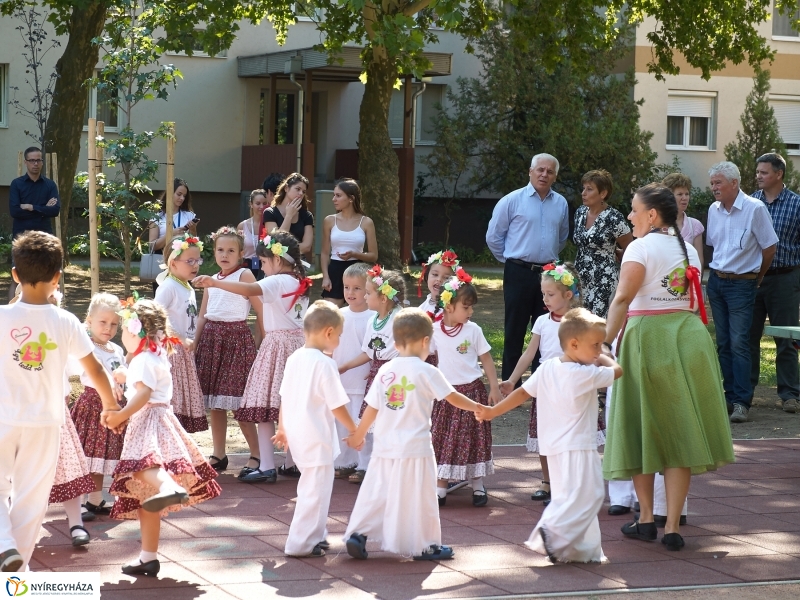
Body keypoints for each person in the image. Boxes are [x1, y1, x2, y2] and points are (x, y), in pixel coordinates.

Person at [603, 183, 735, 552]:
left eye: (633, 210)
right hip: (688, 337)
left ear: (651, 215)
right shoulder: (688, 249)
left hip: (649, 337)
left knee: (642, 425)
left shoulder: (640, 247)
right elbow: (693, 300)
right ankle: (672, 525)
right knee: (679, 430)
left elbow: (623, 298)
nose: (630, 216)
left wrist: (602, 342)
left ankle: (646, 519)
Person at [0, 231, 116, 572]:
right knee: (31, 500)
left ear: (15, 275)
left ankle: (5, 547)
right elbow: (93, 369)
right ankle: (15, 575)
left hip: (3, 418)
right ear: (57, 278)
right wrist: (111, 406)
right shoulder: (65, 321)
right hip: (47, 422)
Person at [479, 308, 622, 563]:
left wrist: (493, 412)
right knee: (591, 495)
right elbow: (617, 371)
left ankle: (577, 551)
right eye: (595, 345)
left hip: (553, 448)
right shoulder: (585, 373)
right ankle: (554, 534)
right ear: (574, 344)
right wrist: (608, 354)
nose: (598, 350)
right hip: (578, 446)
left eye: (600, 345)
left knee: (569, 497)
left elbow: (522, 393)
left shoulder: (548, 368)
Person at [343, 309, 483, 561]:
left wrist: (358, 435)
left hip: (385, 448)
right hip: (416, 448)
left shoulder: (385, 371)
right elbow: (452, 397)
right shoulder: (427, 371)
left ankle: (359, 534)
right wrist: (478, 407)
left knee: (376, 492)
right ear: (426, 342)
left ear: (395, 343)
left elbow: (371, 409)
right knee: (421, 496)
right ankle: (426, 544)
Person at [104, 298, 222, 576]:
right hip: (162, 418)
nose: (123, 336)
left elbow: (143, 394)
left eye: (124, 330)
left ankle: (169, 488)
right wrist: (125, 373)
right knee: (147, 502)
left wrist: (120, 415)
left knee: (143, 467)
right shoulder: (154, 356)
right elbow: (143, 382)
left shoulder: (143, 360)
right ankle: (148, 556)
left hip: (148, 419)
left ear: (135, 332)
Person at [193, 230, 311, 483]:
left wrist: (215, 283)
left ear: (277, 260)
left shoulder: (278, 281)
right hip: (297, 344)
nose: (263, 267)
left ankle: (266, 465)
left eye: (265, 262)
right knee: (288, 405)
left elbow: (249, 287)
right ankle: (292, 462)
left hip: (278, 345)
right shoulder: (298, 279)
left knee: (264, 403)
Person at [501, 263, 599, 506]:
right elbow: (529, 353)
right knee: (545, 435)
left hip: (573, 385)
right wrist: (513, 380)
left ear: (568, 295)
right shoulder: (542, 321)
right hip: (547, 386)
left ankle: (573, 482)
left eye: (550, 294)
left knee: (574, 436)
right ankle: (548, 480)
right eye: (543, 294)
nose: (544, 298)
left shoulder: (579, 321)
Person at [272, 301, 359, 557]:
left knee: (315, 487)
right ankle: (299, 543)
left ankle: (317, 534)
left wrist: (282, 427)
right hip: (316, 436)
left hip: (299, 434)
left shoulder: (295, 358)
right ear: (329, 332)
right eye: (340, 336)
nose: (340, 341)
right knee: (314, 491)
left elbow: (284, 396)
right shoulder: (325, 364)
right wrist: (355, 429)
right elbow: (337, 404)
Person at [486, 153, 570, 381]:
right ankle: (509, 385)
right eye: (540, 170)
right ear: (530, 172)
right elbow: (494, 236)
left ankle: (540, 382)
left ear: (555, 176)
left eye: (549, 171)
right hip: (518, 272)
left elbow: (562, 238)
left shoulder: (561, 203)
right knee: (515, 328)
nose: (544, 174)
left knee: (545, 329)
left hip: (548, 274)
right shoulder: (512, 201)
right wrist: (511, 261)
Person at [706, 161, 778, 423]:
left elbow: (769, 247)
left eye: (718, 183)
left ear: (734, 183)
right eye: (712, 182)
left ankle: (741, 402)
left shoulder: (755, 209)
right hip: (717, 282)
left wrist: (757, 277)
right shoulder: (713, 210)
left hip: (743, 284)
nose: (714, 187)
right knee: (723, 342)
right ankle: (728, 397)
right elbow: (714, 246)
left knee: (739, 343)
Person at [194, 227, 263, 476]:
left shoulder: (245, 275)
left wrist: (259, 341)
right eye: (220, 250)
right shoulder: (210, 280)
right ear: (214, 252)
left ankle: (256, 453)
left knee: (238, 401)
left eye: (231, 250)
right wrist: (195, 343)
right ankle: (219, 453)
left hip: (236, 340)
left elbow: (260, 309)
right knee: (216, 402)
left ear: (241, 253)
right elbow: (203, 315)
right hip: (212, 340)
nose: (225, 254)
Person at [430, 269, 500, 507]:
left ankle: (477, 484)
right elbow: (426, 358)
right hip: (446, 395)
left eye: (471, 308)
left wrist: (494, 388)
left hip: (472, 393)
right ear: (449, 306)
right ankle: (441, 486)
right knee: (442, 438)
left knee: (474, 439)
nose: (470, 312)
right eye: (466, 307)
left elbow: (487, 359)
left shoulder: (473, 330)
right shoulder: (434, 330)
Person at [749, 153, 800, 414]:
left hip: (785, 278)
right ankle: (744, 394)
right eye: (758, 172)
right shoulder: (749, 203)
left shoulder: (796, 204)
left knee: (787, 338)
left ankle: (790, 394)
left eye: (764, 172)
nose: (758, 176)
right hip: (753, 279)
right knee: (748, 337)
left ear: (778, 174)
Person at [69, 293, 128, 517]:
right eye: (102, 322)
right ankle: (86, 501)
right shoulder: (85, 347)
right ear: (89, 320)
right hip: (93, 405)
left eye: (114, 324)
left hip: (115, 407)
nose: (108, 328)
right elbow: (80, 371)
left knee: (105, 454)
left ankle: (96, 499)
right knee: (92, 455)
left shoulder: (117, 349)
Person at [154, 233, 208, 433]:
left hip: (183, 352)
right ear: (173, 263)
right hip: (172, 352)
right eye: (190, 261)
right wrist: (180, 338)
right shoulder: (168, 287)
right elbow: (157, 317)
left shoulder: (187, 286)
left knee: (183, 395)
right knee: (174, 395)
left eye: (198, 260)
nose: (195, 265)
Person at [331, 263, 375, 483]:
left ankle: (365, 464)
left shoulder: (372, 317)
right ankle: (344, 461)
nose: (350, 293)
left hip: (362, 379)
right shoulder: (339, 314)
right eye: (347, 287)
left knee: (361, 422)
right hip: (341, 379)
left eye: (357, 288)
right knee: (342, 421)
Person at [573, 169, 633, 318]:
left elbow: (630, 247)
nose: (583, 193)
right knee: (578, 321)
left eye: (589, 189)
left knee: (597, 323)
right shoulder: (580, 212)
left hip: (603, 280)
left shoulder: (614, 218)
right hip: (580, 276)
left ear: (603, 194)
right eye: (583, 188)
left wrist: (618, 253)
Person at [8, 147, 60, 301]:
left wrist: (31, 207)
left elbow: (55, 210)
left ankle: (51, 310)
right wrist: (44, 208)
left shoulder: (50, 185)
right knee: (17, 276)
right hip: (22, 237)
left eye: (38, 160)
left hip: (45, 237)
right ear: (26, 162)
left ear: (42, 162)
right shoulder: (17, 184)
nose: (36, 163)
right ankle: (12, 312)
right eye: (32, 160)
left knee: (49, 275)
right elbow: (15, 211)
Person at [321, 179, 378, 307]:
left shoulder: (366, 222)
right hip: (334, 271)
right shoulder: (329, 220)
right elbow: (324, 253)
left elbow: (373, 256)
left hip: (358, 271)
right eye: (333, 195)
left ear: (351, 198)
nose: (334, 199)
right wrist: (326, 276)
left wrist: (355, 254)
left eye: (338, 195)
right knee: (331, 316)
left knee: (358, 315)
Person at [261, 173, 314, 258]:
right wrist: (289, 216)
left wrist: (283, 249)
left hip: (299, 263)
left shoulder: (307, 215)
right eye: (298, 189)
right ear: (286, 188)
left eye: (303, 192)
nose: (301, 193)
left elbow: (307, 247)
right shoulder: (270, 212)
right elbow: (277, 241)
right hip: (277, 262)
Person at [147, 178, 199, 253]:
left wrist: (193, 230)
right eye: (179, 194)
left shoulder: (189, 215)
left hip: (183, 257)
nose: (182, 198)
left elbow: (194, 244)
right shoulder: (157, 216)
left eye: (184, 196)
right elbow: (152, 246)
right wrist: (171, 234)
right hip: (161, 259)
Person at [662, 173, 705, 261]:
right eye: (680, 194)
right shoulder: (656, 224)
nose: (684, 198)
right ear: (668, 196)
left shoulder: (695, 225)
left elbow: (699, 260)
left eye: (687, 194)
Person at [238, 190, 271, 280]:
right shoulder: (242, 226)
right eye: (258, 203)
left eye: (264, 203)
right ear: (251, 204)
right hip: (247, 265)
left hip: (266, 265)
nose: (261, 207)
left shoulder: (270, 225)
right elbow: (237, 249)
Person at [417, 249, 460, 314]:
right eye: (435, 274)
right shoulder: (422, 308)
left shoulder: (453, 309)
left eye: (446, 278)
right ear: (427, 275)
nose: (439, 279)